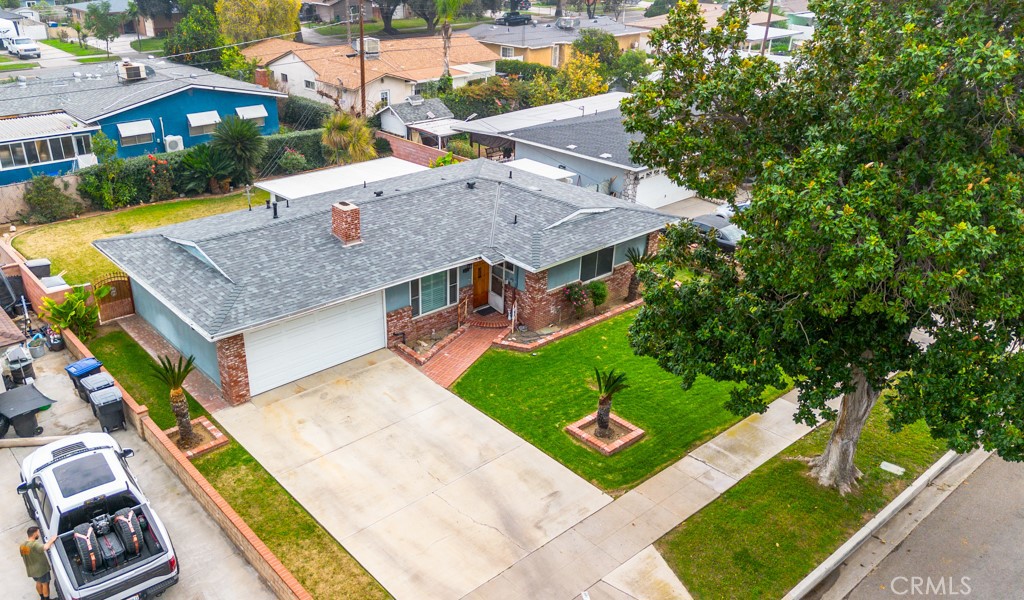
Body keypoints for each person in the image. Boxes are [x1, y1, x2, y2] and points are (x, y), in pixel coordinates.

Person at [19, 526, 56, 600]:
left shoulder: (22, 546)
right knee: (45, 584)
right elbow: (45, 547)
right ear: (34, 533)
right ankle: (46, 599)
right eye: (38, 532)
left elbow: (25, 555)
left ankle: (42, 597)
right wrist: (52, 540)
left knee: (38, 582)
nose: (38, 534)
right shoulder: (34, 544)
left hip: (31, 570)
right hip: (41, 570)